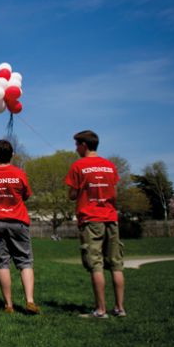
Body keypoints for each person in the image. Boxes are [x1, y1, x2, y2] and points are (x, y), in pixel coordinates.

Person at [65, 130, 125, 319]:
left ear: (84, 145)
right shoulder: (109, 166)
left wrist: (79, 191)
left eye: (77, 145)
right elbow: (114, 192)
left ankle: (100, 310)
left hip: (91, 219)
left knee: (95, 264)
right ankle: (119, 308)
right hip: (111, 218)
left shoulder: (78, 166)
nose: (76, 149)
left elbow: (72, 194)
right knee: (116, 264)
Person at [0, 139, 40, 314]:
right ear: (12, 155)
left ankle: (8, 305)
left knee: (2, 264)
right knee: (25, 262)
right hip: (18, 221)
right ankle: (29, 301)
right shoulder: (20, 173)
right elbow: (26, 195)